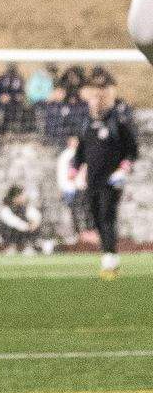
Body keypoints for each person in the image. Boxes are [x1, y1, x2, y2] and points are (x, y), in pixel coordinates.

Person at [69, 71, 136, 280]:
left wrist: (124, 168)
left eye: (100, 98)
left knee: (107, 216)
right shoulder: (86, 123)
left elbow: (132, 149)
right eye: (93, 98)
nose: (96, 102)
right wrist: (74, 168)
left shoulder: (118, 121)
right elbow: (81, 150)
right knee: (96, 217)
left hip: (111, 180)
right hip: (93, 180)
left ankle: (109, 260)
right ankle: (109, 255)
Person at [0, 186, 43, 254]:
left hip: (25, 232)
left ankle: (28, 246)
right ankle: (11, 247)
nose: (24, 197)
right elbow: (14, 222)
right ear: (14, 197)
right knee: (6, 226)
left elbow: (36, 216)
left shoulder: (27, 208)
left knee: (36, 225)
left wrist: (35, 223)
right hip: (13, 233)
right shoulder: (5, 209)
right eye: (21, 195)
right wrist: (28, 227)